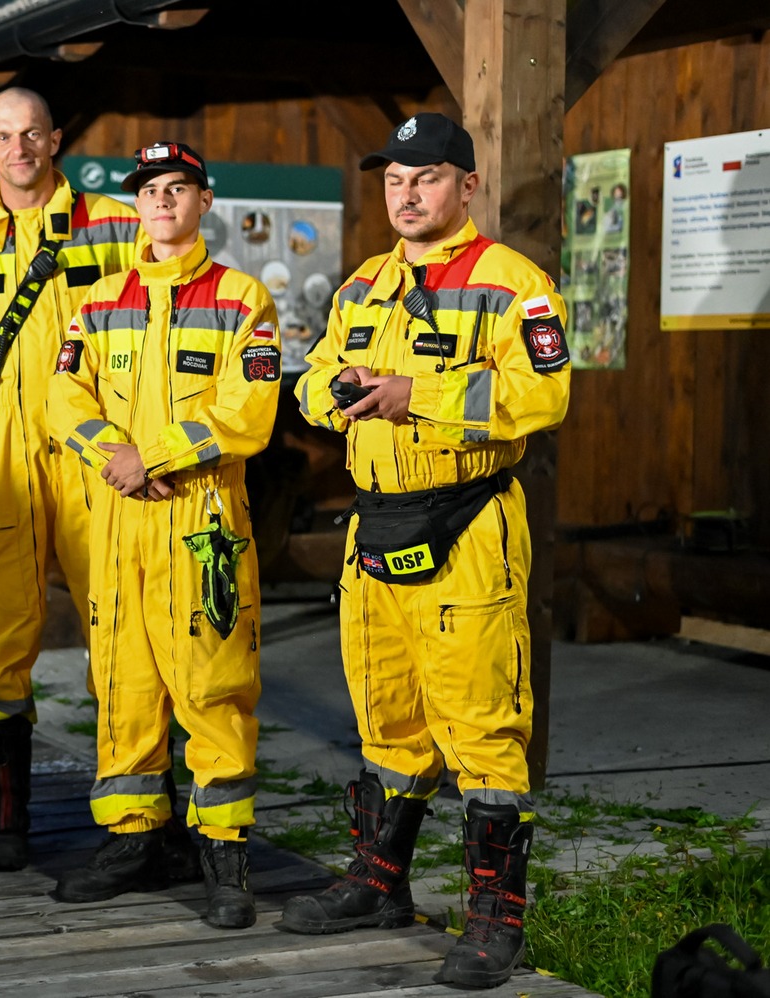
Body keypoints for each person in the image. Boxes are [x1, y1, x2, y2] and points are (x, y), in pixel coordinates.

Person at [282, 113, 571, 987]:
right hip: (374, 525)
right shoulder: (362, 285)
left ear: (467, 186)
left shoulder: (512, 284)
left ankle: (496, 918)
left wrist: (421, 393)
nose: (407, 195)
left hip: (468, 527)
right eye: (395, 180)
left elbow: (544, 393)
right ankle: (379, 880)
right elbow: (308, 382)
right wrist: (335, 392)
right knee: (387, 714)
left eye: (427, 178)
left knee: (482, 725)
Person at [0, 88, 150, 873]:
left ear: (54, 140)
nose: (19, 149)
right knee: (2, 643)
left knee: (121, 635)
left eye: (32, 133)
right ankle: (5, 814)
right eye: (4, 137)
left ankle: (136, 819)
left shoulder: (118, 226)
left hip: (96, 466)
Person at [47, 142, 280, 929]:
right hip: (119, 517)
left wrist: (153, 456)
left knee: (214, 685)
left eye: (179, 189)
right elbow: (63, 397)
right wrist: (113, 457)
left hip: (201, 521)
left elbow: (248, 412)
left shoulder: (243, 299)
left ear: (204, 201)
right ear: (135, 205)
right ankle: (132, 838)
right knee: (122, 684)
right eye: (150, 191)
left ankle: (225, 855)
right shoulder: (99, 300)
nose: (163, 202)